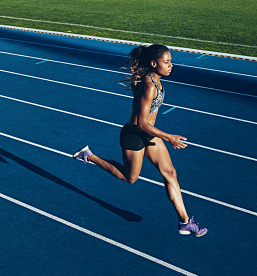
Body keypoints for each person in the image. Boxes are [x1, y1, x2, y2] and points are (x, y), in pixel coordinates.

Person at [73, 44, 207, 237]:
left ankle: (185, 222)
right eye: (166, 62)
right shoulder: (150, 85)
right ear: (154, 63)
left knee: (170, 173)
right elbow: (142, 123)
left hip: (149, 135)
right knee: (131, 178)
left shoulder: (154, 78)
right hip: (134, 136)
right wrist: (169, 137)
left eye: (171, 61)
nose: (171, 65)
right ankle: (89, 156)